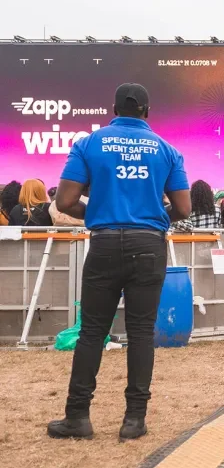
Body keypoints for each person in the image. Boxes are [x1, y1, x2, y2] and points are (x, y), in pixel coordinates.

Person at [48, 83, 191, 441]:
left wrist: (99, 212)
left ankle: (78, 416)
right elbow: (184, 208)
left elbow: (64, 202)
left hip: (105, 243)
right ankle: (134, 420)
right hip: (149, 244)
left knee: (92, 331)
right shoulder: (167, 150)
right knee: (141, 331)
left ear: (113, 109)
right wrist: (151, 219)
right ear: (146, 111)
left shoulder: (88, 144)